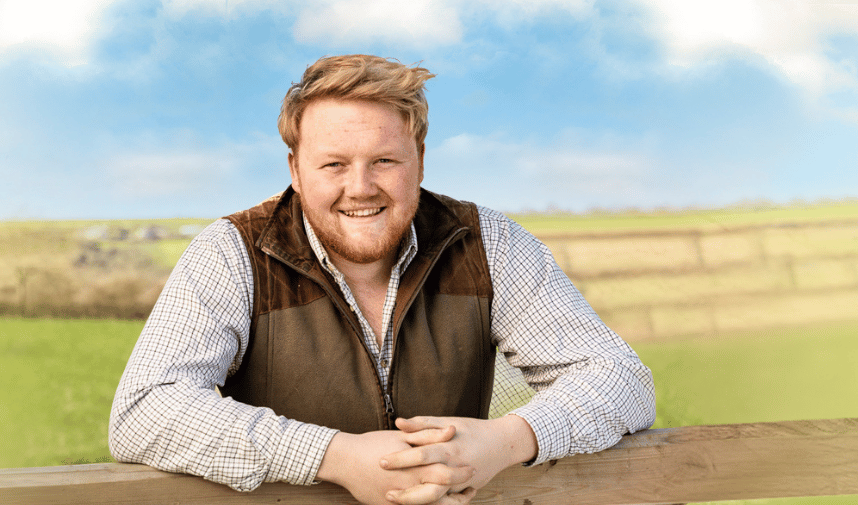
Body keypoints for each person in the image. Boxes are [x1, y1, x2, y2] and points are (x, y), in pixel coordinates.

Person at [109, 54, 655, 505]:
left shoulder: (491, 243)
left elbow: (618, 377)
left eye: (385, 161)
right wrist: (335, 457)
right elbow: (144, 409)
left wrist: (505, 440)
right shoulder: (230, 252)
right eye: (334, 165)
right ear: (295, 169)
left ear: (418, 158)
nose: (361, 187)